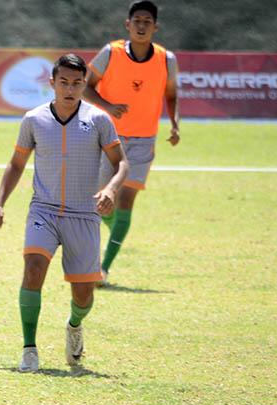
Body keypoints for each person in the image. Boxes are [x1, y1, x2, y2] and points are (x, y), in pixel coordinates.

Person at [0, 54, 128, 371]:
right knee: (34, 268)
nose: (70, 89)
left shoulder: (99, 120)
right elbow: (16, 164)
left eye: (77, 83)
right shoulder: (33, 119)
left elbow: (121, 163)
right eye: (63, 82)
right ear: (51, 83)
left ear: (84, 85)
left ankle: (74, 326)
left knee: (83, 294)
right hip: (44, 210)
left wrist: (110, 189)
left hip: (84, 214)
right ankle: (29, 349)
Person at [82, 0, 180, 285]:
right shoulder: (110, 53)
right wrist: (108, 106)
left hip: (143, 140)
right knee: (101, 200)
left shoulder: (166, 59)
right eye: (136, 20)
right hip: (106, 137)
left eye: (147, 21)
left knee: (125, 201)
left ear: (155, 27)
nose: (141, 25)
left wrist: (174, 124)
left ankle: (104, 269)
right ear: (127, 25)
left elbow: (171, 94)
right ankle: (100, 251)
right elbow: (86, 87)